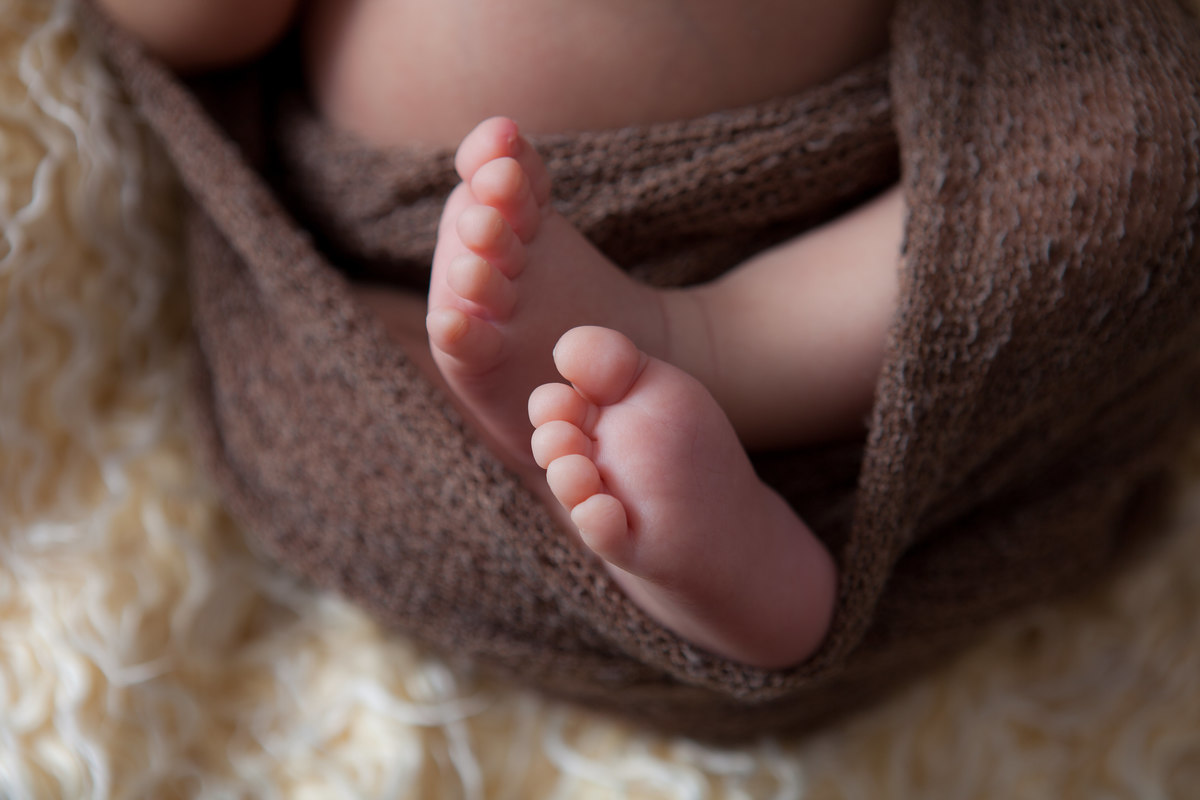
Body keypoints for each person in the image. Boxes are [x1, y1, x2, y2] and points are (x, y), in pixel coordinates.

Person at [96, 0, 905, 669]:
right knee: (321, 402)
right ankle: (691, 568)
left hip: (832, 213)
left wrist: (688, 335)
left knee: (1016, 195)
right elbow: (202, 25)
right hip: (402, 271)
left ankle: (705, 344)